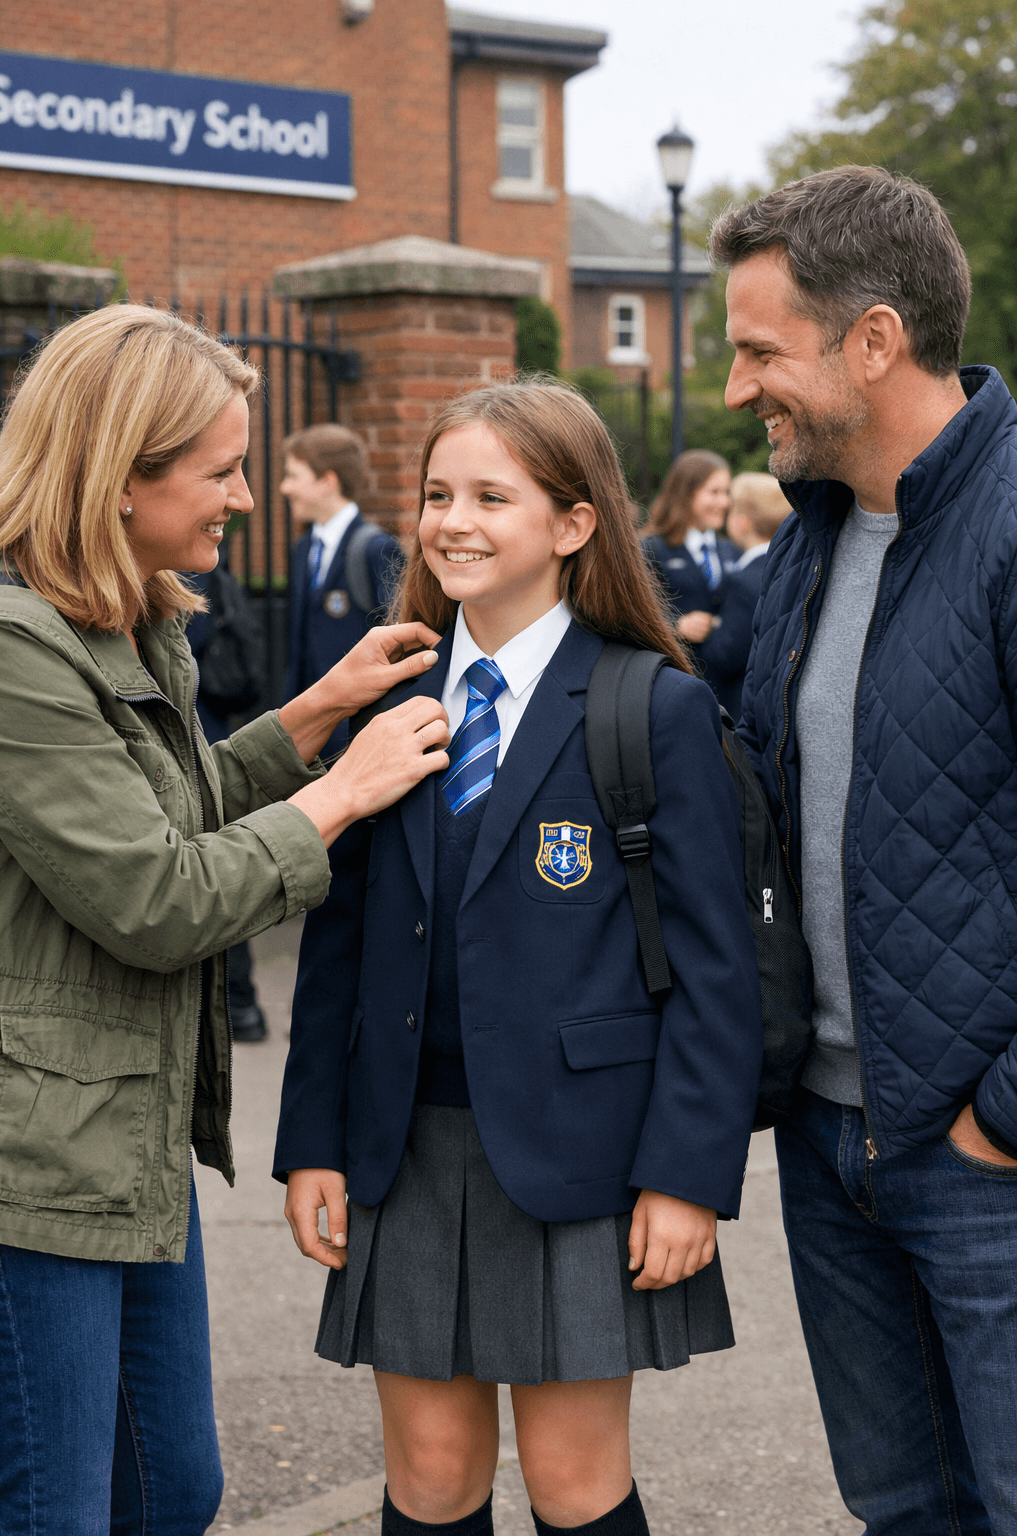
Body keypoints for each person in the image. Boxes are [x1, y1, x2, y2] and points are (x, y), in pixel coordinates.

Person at [274, 380, 763, 1536]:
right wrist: (313, 1144)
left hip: (581, 1157)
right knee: (431, 1479)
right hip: (403, 1145)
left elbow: (715, 973)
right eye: (439, 493)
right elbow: (334, 952)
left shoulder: (651, 709)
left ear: (575, 521)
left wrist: (688, 1174)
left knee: (572, 1483)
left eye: (493, 495)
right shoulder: (388, 699)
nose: (454, 520)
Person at [0, 303, 450, 1535]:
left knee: (173, 1490)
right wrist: (345, 796)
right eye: (220, 470)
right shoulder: (9, 648)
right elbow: (156, 894)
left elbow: (178, 803)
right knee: (53, 1507)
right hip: (30, 1171)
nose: (244, 497)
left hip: (122, 1145)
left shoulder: (129, 616)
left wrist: (318, 713)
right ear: (117, 475)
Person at [714, 163, 1017, 1532]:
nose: (736, 390)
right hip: (831, 1150)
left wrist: (1002, 1119)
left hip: (983, 1157)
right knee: (901, 1510)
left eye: (760, 351)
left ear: (875, 340)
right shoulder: (809, 544)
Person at [185, 544, 270, 1042]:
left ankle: (238, 1001)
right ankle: (241, 1002)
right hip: (211, 730)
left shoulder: (186, 574)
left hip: (202, 731)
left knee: (211, 868)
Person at [282, 423, 403, 754]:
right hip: (308, 731)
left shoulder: (375, 548)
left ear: (327, 481)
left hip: (354, 734)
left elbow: (398, 642)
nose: (284, 487)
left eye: (294, 476)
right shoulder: (304, 548)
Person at [703, 473, 792, 720]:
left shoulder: (743, 581)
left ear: (741, 523)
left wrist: (709, 630)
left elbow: (725, 655)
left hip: (743, 708)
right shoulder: (792, 568)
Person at [641, 449, 737, 664]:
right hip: (673, 669)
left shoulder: (732, 551)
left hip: (724, 680)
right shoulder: (650, 549)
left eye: (727, 492)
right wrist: (676, 625)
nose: (724, 502)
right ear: (686, 493)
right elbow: (632, 613)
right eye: (714, 492)